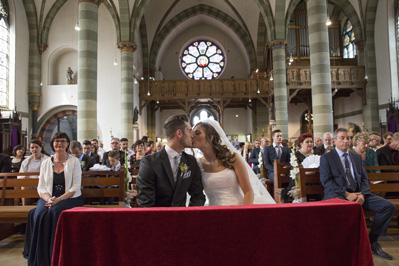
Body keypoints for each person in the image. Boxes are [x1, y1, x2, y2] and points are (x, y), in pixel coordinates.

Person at [319, 128, 396, 260]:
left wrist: (363, 195)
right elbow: (326, 181)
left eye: (348, 138)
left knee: (388, 206)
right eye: (342, 138)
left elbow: (364, 179)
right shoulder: (327, 158)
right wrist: (347, 194)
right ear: (334, 140)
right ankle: (344, 247)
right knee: (344, 209)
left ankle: (372, 240)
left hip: (359, 194)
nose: (346, 141)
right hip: (338, 194)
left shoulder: (355, 157)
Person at [23, 131, 85, 266]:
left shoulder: (73, 162)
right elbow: (41, 187)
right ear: (53, 143)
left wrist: (59, 199)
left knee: (55, 212)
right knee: (39, 213)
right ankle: (41, 257)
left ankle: (57, 254)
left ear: (68, 144)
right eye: (57, 141)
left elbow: (75, 186)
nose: (60, 144)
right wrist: (49, 199)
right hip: (49, 198)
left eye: (63, 141)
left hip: (70, 198)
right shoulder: (46, 162)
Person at [192, 119, 275, 205]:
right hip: (213, 211)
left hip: (238, 208)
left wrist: (243, 213)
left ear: (210, 137)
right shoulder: (197, 164)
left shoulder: (232, 158)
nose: (192, 136)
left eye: (197, 133)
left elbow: (248, 191)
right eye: (192, 133)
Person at [136, 114, 205, 207]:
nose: (192, 136)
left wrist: (190, 217)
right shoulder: (150, 162)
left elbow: (198, 195)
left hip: (183, 218)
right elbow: (146, 203)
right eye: (189, 131)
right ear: (179, 133)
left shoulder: (190, 161)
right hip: (157, 218)